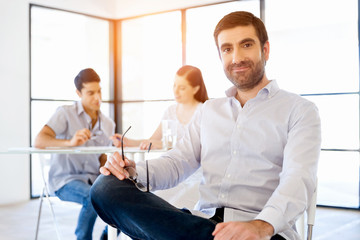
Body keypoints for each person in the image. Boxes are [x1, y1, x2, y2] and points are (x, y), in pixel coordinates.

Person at [90, 11, 321, 240]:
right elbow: (178, 162)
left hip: (262, 232)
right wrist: (132, 172)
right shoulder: (209, 111)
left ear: (265, 50)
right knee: (106, 186)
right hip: (202, 224)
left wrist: (261, 226)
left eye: (246, 45)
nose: (237, 57)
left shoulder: (300, 110)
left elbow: (298, 177)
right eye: (227, 49)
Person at [34, 68, 120, 240]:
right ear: (78, 93)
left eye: (99, 91)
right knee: (92, 197)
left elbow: (100, 157)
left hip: (94, 178)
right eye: (90, 93)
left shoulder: (108, 124)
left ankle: (106, 237)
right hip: (65, 181)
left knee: (124, 197)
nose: (97, 98)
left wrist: (114, 164)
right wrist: (69, 143)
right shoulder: (65, 113)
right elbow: (39, 141)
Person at [112, 65, 209, 150]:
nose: (176, 91)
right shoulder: (170, 111)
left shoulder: (204, 111)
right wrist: (128, 142)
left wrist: (165, 144)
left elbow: (202, 146)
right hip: (173, 167)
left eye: (182, 88)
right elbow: (152, 141)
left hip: (198, 169)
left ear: (195, 89)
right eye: (174, 85)